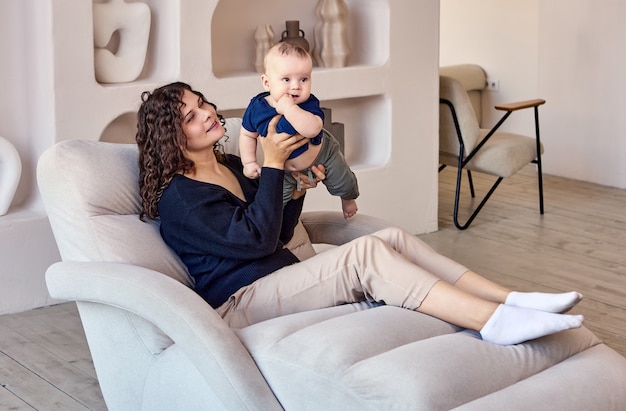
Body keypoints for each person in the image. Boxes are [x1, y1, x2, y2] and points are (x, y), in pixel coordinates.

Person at [136, 81, 584, 346]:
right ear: (173, 138)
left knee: (392, 238)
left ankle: (508, 298)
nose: (209, 114)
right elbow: (253, 241)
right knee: (366, 254)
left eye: (203, 103)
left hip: (276, 276)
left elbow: (273, 233)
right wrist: (274, 166)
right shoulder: (182, 198)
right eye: (192, 116)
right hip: (240, 303)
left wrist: (293, 191)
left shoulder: (234, 165)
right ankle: (494, 323)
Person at [239, 42, 359, 220]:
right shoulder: (257, 108)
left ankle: (347, 199)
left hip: (323, 154)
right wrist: (248, 163)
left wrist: (289, 109)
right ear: (266, 82)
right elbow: (247, 134)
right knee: (274, 205)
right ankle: (275, 233)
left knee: (343, 181)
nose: (296, 86)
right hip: (284, 169)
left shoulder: (308, 104)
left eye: (304, 79)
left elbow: (312, 129)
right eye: (286, 79)